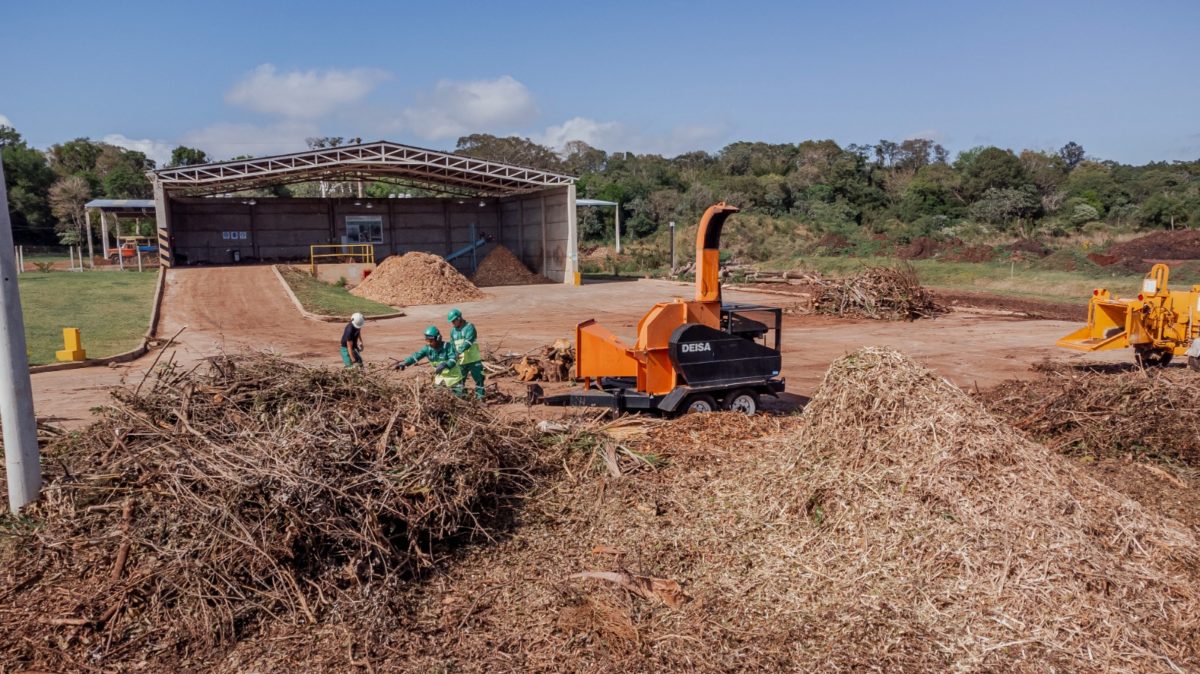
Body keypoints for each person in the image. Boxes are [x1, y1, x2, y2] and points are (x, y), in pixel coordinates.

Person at [394, 326, 465, 394]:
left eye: (431, 340)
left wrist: (445, 364)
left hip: (454, 380)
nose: (429, 343)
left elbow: (453, 359)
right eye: (427, 340)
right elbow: (415, 356)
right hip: (440, 380)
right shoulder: (427, 349)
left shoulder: (448, 347)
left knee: (460, 401)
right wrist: (405, 363)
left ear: (438, 338)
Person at [447, 308, 485, 400]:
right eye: (451, 321)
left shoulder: (470, 327)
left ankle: (480, 399)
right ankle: (461, 400)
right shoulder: (453, 331)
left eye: (454, 321)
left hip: (473, 360)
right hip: (461, 362)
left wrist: (458, 352)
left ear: (459, 318)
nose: (453, 323)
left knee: (479, 379)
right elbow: (452, 344)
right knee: (459, 381)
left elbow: (468, 341)